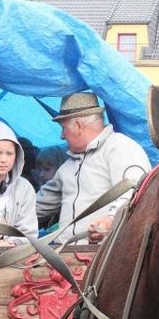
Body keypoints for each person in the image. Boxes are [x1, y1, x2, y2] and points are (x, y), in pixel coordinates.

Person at [36, 92, 151, 244]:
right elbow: (41, 204)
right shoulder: (67, 166)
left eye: (63, 128)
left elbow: (134, 192)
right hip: (64, 254)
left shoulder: (121, 148)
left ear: (78, 126)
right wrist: (5, 218)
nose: (62, 136)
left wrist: (110, 222)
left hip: (101, 256)